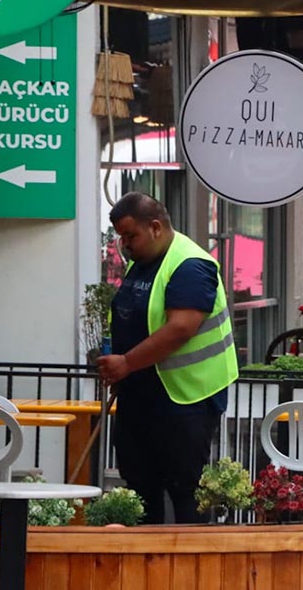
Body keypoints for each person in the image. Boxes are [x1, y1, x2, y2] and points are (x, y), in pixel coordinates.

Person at [97, 193, 238, 523]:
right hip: (143, 396)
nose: (125, 245)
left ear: (156, 227)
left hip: (186, 397)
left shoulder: (191, 265)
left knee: (184, 488)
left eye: (131, 236)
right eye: (121, 237)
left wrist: (127, 362)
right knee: (140, 486)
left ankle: (189, 570)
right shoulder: (144, 262)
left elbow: (181, 327)